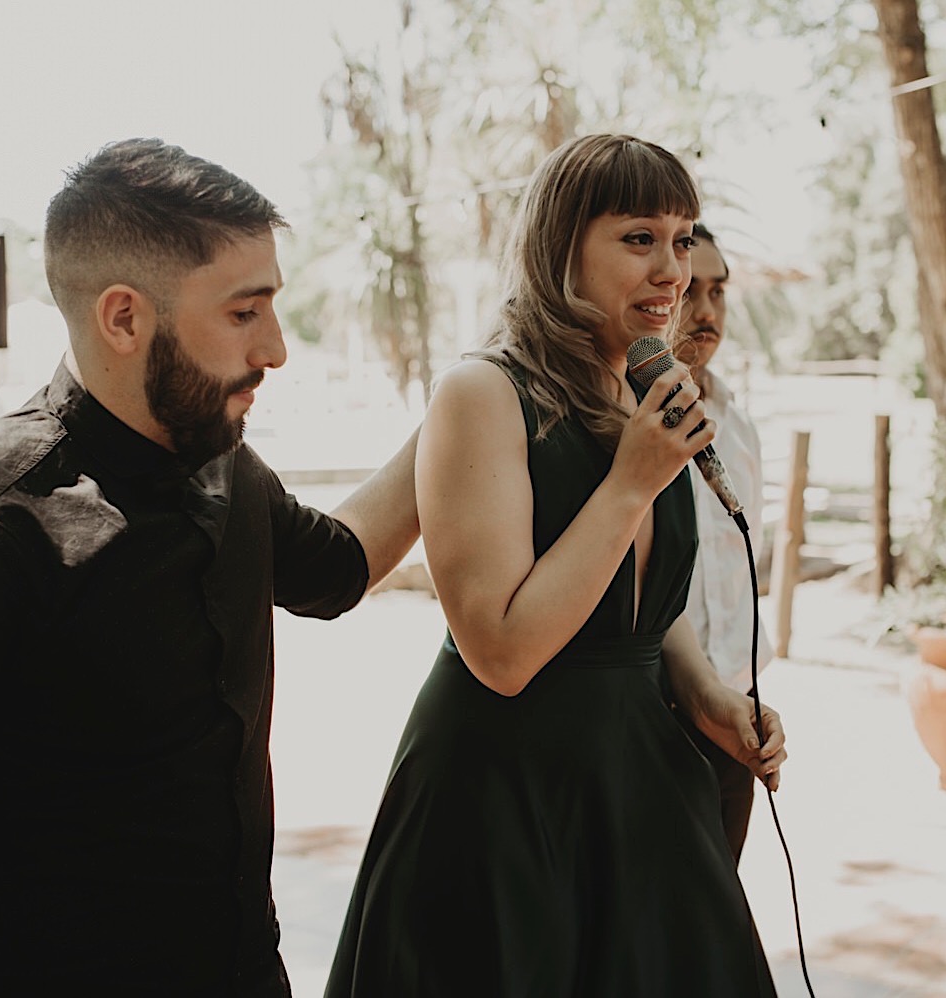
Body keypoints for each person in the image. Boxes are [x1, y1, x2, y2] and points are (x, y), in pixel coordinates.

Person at [0, 138, 420, 997]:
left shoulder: (224, 465)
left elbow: (339, 565)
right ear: (123, 317)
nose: (275, 348)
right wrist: (16, 907)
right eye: (243, 313)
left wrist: (467, 404)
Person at [325, 134, 784, 997]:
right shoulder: (483, 393)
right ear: (562, 245)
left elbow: (644, 606)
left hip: (640, 782)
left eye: (682, 239)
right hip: (504, 797)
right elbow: (500, 652)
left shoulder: (643, 389)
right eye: (640, 238)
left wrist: (706, 695)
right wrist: (630, 484)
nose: (673, 271)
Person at [673, 221, 775, 865]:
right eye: (690, 292)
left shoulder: (738, 428)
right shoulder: (618, 425)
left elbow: (745, 566)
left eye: (718, 292)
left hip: (734, 718)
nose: (706, 311)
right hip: (655, 714)